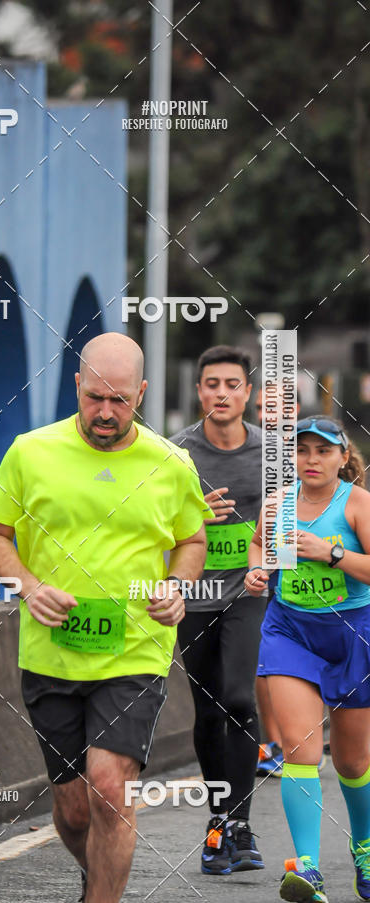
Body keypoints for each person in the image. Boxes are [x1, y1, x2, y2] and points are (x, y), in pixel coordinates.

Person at [0, 332, 210, 903]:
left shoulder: (170, 462)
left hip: (135, 649)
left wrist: (178, 587)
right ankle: (96, 877)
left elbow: (192, 538)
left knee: (110, 790)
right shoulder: (30, 452)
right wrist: (28, 586)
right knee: (75, 808)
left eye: (121, 400)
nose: (105, 413)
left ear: (143, 393)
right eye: (94, 398)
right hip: (51, 652)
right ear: (77, 386)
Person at [246, 417, 370, 903]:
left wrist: (330, 552)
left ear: (343, 457)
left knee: (353, 761)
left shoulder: (357, 504)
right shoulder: (278, 503)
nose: (311, 460)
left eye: (323, 451)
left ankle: (363, 848)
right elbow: (260, 543)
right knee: (301, 750)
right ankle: (306, 868)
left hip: (352, 634)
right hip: (290, 630)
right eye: (302, 451)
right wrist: (257, 570)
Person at [171, 346, 266, 875]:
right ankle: (218, 821)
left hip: (248, 592)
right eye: (212, 384)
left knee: (236, 697)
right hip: (195, 596)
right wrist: (194, 515)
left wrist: (268, 567)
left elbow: (289, 520)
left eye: (233, 384)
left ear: (247, 393)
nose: (222, 393)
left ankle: (241, 823)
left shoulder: (269, 454)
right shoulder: (175, 453)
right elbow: (152, 523)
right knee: (208, 712)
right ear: (199, 391)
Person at [254, 386, 301, 779]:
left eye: (276, 409)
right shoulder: (252, 451)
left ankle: (304, 733)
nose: (268, 417)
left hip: (322, 572)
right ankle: (273, 745)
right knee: (266, 660)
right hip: (270, 567)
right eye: (261, 409)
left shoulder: (319, 449)